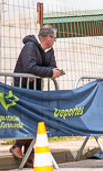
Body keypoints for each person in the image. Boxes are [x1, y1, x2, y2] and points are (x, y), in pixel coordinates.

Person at [10, 24, 64, 163]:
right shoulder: (30, 47)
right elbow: (30, 67)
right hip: (23, 89)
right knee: (28, 119)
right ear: (48, 37)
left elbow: (51, 67)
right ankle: (18, 147)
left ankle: (28, 152)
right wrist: (43, 72)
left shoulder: (49, 50)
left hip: (35, 90)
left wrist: (38, 72)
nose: (55, 41)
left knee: (35, 119)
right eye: (55, 38)